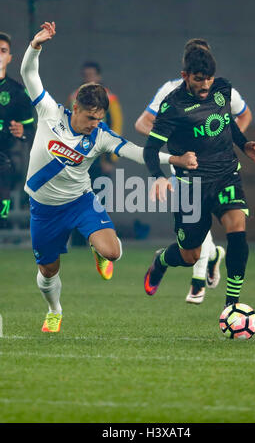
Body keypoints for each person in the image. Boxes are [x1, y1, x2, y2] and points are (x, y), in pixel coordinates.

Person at [20, 21, 197, 333]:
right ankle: (54, 310)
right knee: (48, 271)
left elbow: (139, 152)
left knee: (112, 252)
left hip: (81, 202)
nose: (94, 124)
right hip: (44, 208)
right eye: (90, 118)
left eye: (99, 119)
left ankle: (95, 247)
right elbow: (28, 75)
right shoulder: (49, 112)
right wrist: (35, 46)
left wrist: (175, 158)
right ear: (75, 108)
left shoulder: (100, 135)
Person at [143, 46, 255, 308]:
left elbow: (228, 122)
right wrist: (158, 176)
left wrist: (244, 144)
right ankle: (162, 260)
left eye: (208, 78)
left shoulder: (222, 89)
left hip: (226, 175)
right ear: (185, 75)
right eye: (198, 78)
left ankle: (231, 306)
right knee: (190, 255)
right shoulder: (173, 106)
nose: (205, 85)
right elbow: (150, 149)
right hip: (191, 187)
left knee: (237, 229)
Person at [67, 62, 123, 245]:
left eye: (92, 74)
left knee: (99, 199)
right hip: (80, 156)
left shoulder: (110, 98)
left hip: (101, 157)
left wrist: (111, 159)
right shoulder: (75, 97)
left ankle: (97, 239)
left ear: (98, 76)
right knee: (76, 197)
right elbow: (69, 126)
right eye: (86, 75)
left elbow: (116, 127)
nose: (89, 78)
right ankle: (78, 240)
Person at [0, 32, 35, 226]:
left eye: (3, 51)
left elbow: (31, 131)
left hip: (4, 156)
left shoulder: (17, 92)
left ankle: (3, 221)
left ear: (9, 58)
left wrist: (22, 133)